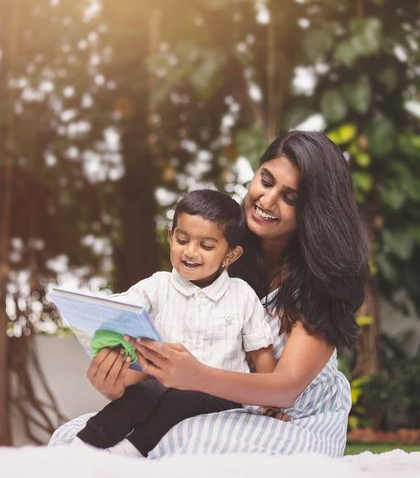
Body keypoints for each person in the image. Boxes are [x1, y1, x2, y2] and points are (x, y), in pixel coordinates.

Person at [50, 130, 368, 458]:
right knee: (71, 435)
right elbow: (175, 349)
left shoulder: (323, 278)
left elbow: (285, 388)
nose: (268, 201)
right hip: (200, 401)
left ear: (314, 210)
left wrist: (197, 377)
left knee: (184, 443)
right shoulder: (218, 244)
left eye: (290, 197)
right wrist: (117, 382)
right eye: (266, 180)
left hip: (293, 418)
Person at [72, 189, 275, 456]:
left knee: (181, 397)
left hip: (221, 394)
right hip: (162, 385)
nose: (190, 252)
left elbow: (261, 353)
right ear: (170, 237)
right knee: (143, 394)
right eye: (182, 240)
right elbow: (124, 305)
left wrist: (270, 404)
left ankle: (130, 451)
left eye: (206, 246)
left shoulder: (241, 294)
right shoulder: (158, 286)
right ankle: (82, 445)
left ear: (230, 256)